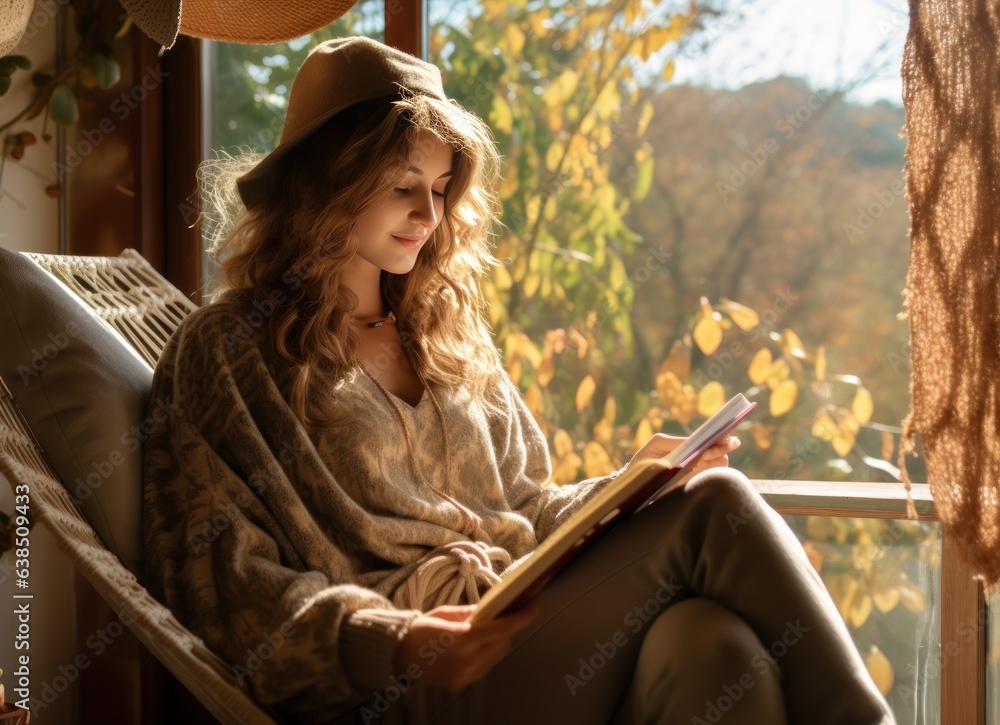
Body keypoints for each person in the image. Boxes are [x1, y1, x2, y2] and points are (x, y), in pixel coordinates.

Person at [142, 36, 897, 725]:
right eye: (404, 183)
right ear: (326, 178)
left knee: (711, 648)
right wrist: (394, 642)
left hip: (520, 616)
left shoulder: (447, 333)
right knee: (718, 504)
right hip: (403, 681)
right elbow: (225, 592)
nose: (427, 214)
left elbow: (530, 504)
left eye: (440, 188)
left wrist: (637, 482)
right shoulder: (226, 352)